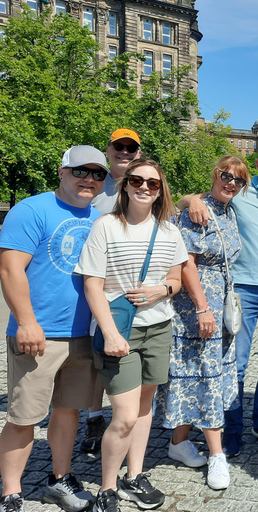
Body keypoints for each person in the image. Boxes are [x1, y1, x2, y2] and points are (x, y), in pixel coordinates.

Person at [0, 145, 107, 512]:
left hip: (82, 333)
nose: (88, 179)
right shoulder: (32, 209)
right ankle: (11, 493)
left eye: (97, 174)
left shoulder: (98, 218)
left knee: (68, 411)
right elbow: (10, 270)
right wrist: (27, 322)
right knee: (23, 416)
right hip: (38, 334)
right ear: (62, 171)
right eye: (80, 171)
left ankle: (59, 480)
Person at [77, 159, 188, 512]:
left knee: (144, 409)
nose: (144, 187)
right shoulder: (106, 226)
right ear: (125, 185)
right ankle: (107, 487)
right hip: (119, 331)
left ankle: (134, 476)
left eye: (152, 183)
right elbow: (92, 285)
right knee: (124, 415)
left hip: (158, 327)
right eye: (137, 180)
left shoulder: (169, 230)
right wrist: (109, 332)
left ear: (160, 191)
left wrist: (162, 291)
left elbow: (177, 279)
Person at [178, 142, 258, 455]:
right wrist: (192, 200)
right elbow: (195, 197)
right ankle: (232, 430)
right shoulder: (241, 188)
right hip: (241, 290)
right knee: (236, 365)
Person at [155, 156, 249, 490]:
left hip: (219, 303)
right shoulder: (198, 211)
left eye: (239, 180)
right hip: (196, 305)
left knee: (202, 372)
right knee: (206, 375)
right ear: (215, 175)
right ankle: (216, 454)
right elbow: (186, 264)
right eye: (226, 176)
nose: (232, 183)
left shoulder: (230, 211)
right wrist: (202, 308)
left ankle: (179, 443)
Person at [82, 128, 143, 455]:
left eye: (130, 148)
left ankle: (129, 415)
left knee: (131, 351)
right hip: (99, 282)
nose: (124, 152)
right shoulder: (94, 185)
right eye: (118, 147)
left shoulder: (145, 184)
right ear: (108, 150)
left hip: (135, 285)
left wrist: (191, 200)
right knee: (96, 356)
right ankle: (94, 417)